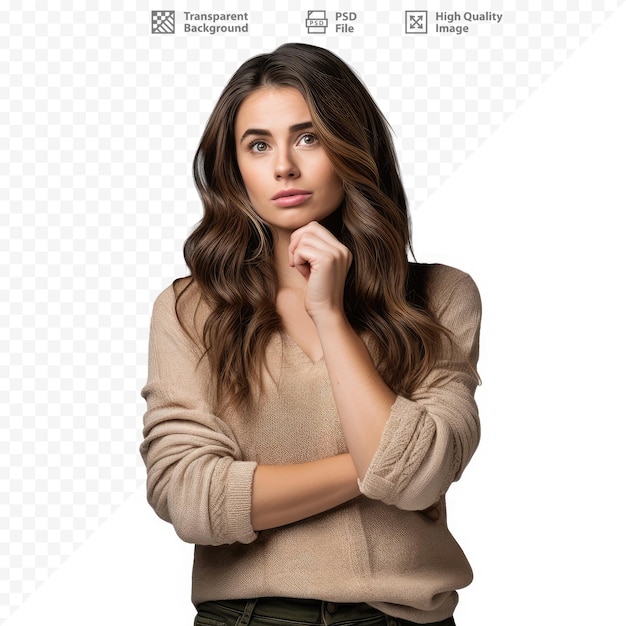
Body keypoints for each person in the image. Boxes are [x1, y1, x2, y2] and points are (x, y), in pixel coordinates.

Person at [140, 42, 481, 626]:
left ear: (352, 146)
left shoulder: (441, 297)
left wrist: (331, 315)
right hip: (247, 616)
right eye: (258, 145)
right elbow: (190, 496)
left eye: (308, 137)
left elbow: (421, 473)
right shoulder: (191, 309)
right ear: (234, 167)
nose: (283, 169)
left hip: (400, 618)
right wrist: (376, 464)